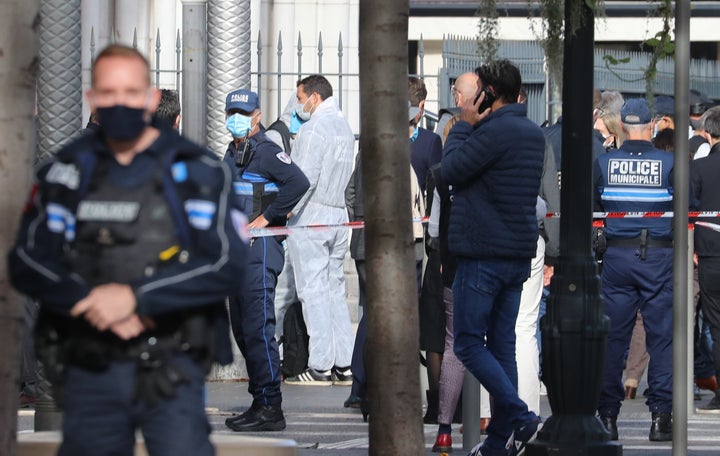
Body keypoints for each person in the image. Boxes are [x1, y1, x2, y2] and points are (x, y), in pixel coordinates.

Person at [7, 44, 248, 456]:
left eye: (131, 92)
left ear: (151, 98)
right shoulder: (64, 173)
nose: (121, 104)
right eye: (109, 93)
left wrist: (135, 299)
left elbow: (226, 263)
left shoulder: (200, 172)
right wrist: (89, 301)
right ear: (94, 101)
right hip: (92, 364)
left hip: (171, 364)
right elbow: (27, 259)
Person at [442, 59, 544, 456]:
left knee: (467, 343)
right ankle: (499, 440)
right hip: (516, 253)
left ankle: (519, 415)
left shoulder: (490, 132)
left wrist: (465, 123)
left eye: (478, 89)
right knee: (501, 345)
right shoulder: (531, 133)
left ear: (488, 93)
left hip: (482, 253)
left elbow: (450, 170)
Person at [221, 89, 309, 431]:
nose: (236, 118)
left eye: (243, 112)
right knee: (243, 330)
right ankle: (260, 398)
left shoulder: (266, 151)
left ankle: (272, 406)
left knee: (258, 328)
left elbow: (298, 183)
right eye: (232, 112)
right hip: (238, 252)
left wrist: (268, 216)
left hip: (260, 251)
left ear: (257, 115)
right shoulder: (233, 151)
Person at [594, 98, 674, 442]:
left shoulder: (605, 162)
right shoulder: (669, 162)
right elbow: (688, 208)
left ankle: (608, 417)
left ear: (623, 127)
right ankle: (660, 418)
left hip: (617, 258)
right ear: (651, 124)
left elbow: (595, 209)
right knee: (661, 339)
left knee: (613, 339)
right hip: (657, 258)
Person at [344, 102, 425, 419]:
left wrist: (360, 220)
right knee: (382, 317)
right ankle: (365, 383)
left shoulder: (367, 150)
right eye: (409, 125)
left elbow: (350, 193)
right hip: (386, 248)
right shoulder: (392, 155)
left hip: (365, 244)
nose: (412, 130)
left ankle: (360, 384)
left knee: (372, 314)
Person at [284, 74, 356, 385]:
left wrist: (285, 209)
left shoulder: (314, 129)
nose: (298, 105)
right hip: (338, 214)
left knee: (312, 291)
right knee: (334, 290)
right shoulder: (343, 127)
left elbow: (304, 179)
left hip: (312, 215)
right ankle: (344, 362)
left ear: (314, 97)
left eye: (300, 99)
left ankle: (321, 364)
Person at [691, 106, 720, 413]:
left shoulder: (699, 170)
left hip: (711, 254)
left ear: (708, 135)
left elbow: (688, 213)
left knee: (716, 325)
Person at [435, 72, 479, 143]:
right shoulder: (487, 116)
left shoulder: (449, 118)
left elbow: (437, 147)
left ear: (458, 96)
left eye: (454, 94)